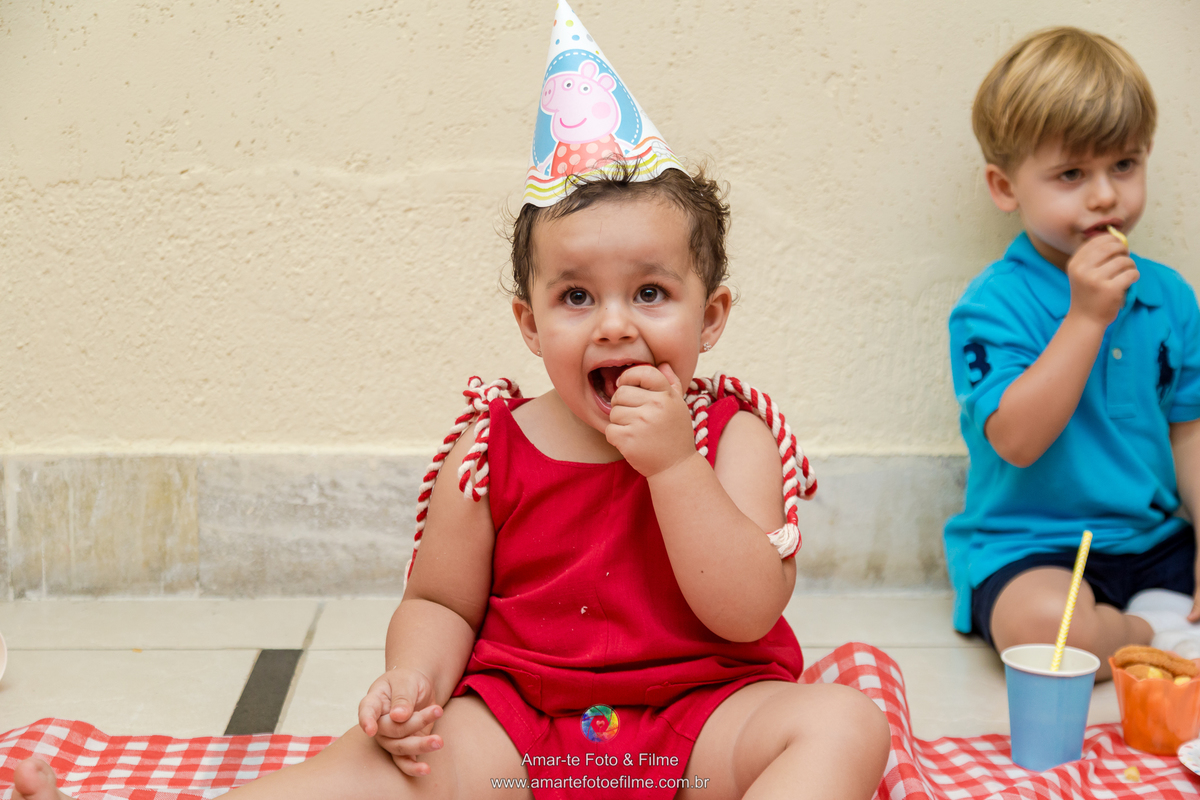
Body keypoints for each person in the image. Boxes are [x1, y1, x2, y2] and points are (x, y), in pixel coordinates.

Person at [13, 4, 890, 799]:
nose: (615, 325)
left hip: (699, 727)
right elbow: (440, 603)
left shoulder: (732, 435)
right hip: (525, 735)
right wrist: (414, 684)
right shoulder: (490, 445)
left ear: (713, 315)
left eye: (652, 293)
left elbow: (744, 610)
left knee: (844, 724)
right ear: (528, 322)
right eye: (577, 297)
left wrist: (672, 465)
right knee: (366, 766)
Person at [945, 26, 1200, 678]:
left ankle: (1152, 617)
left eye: (1124, 164)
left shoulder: (1169, 296)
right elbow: (1018, 441)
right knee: (1044, 632)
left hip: (1154, 541)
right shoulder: (992, 306)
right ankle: (1151, 633)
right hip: (1030, 550)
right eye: (1071, 174)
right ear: (1006, 188)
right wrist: (1086, 317)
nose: (1105, 196)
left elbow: (1190, 432)